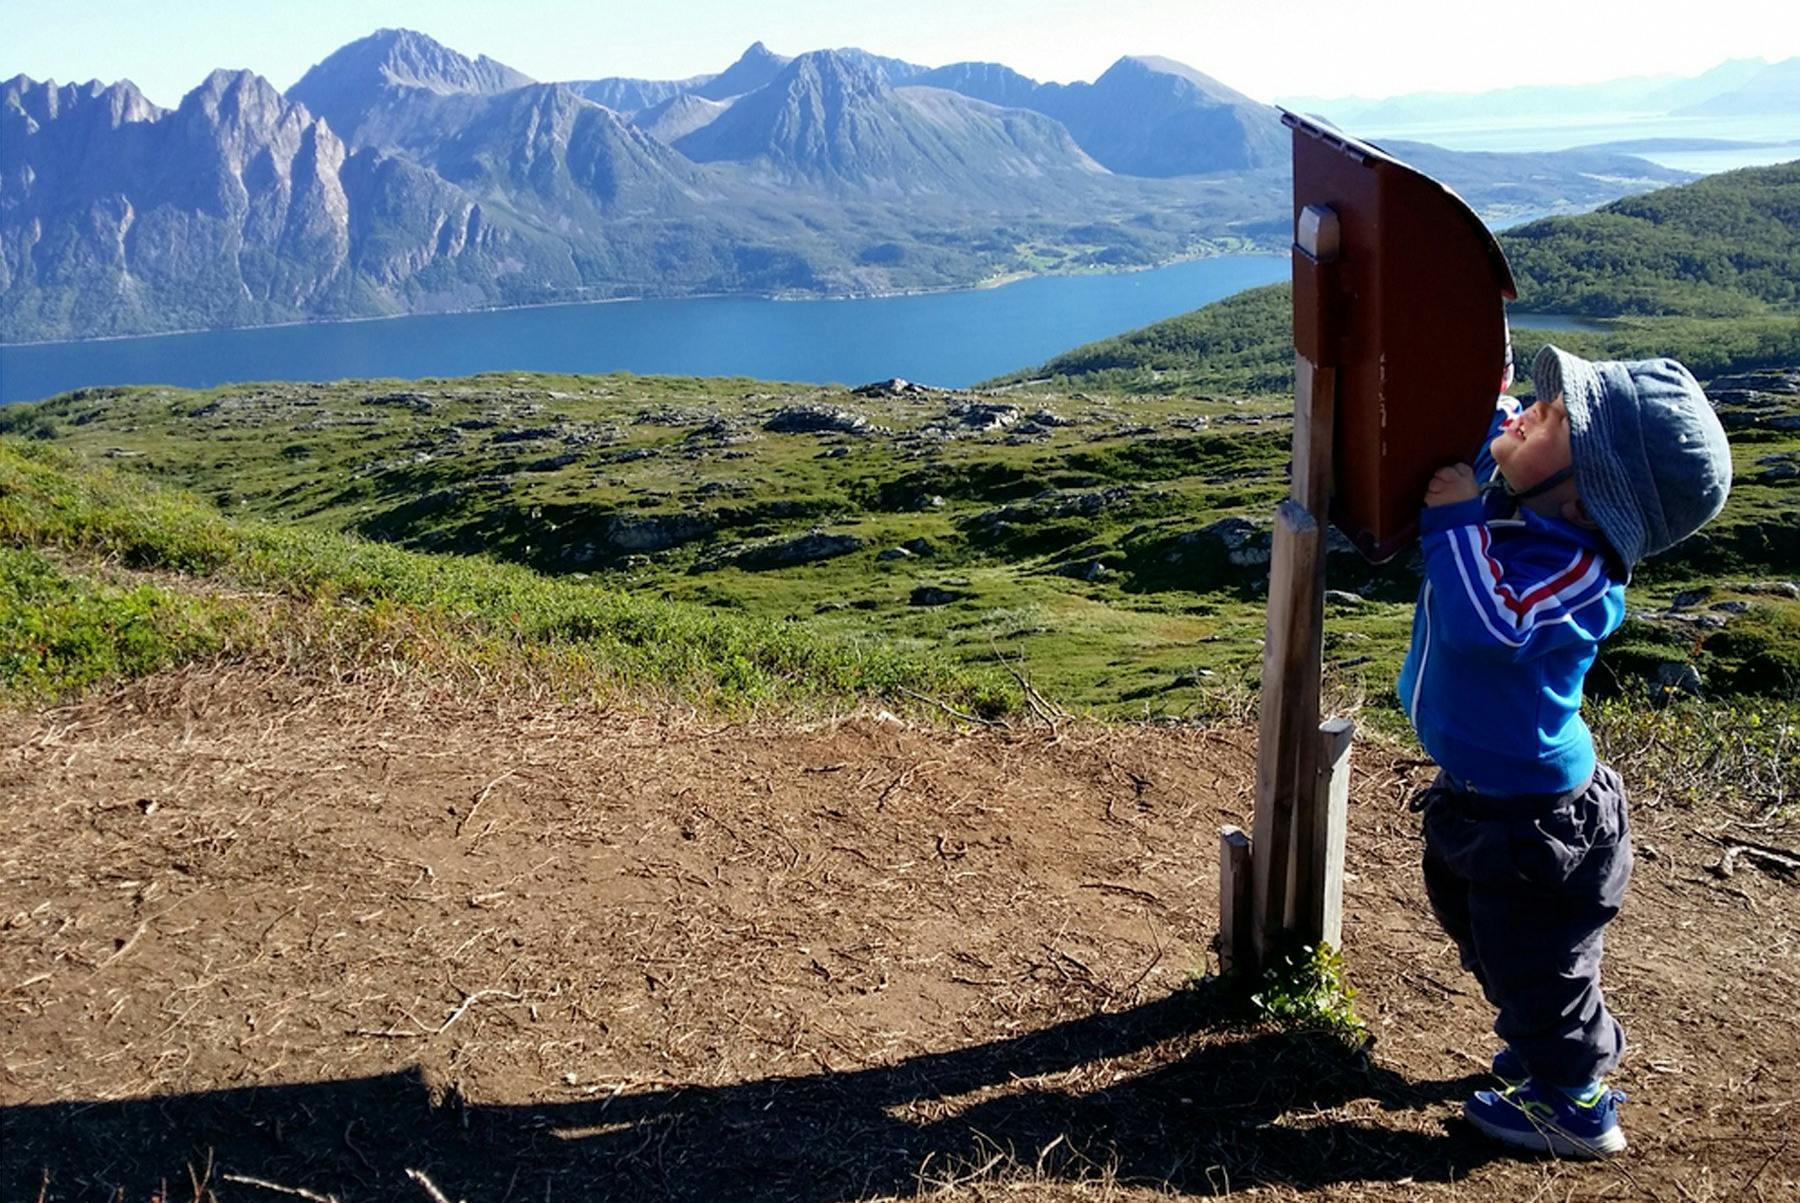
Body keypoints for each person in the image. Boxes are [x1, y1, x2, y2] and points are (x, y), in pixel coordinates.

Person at [1396, 342, 1732, 1158]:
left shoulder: (1579, 574)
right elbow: (1501, 430)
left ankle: (1575, 1100)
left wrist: (1450, 521)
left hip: (1541, 826)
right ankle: (1544, 1033)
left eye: (1562, 417)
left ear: (1585, 500)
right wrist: (1483, 372)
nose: (1538, 409)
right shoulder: (1534, 504)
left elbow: (1490, 624)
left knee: (1538, 961)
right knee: (1480, 930)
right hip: (1483, 797)